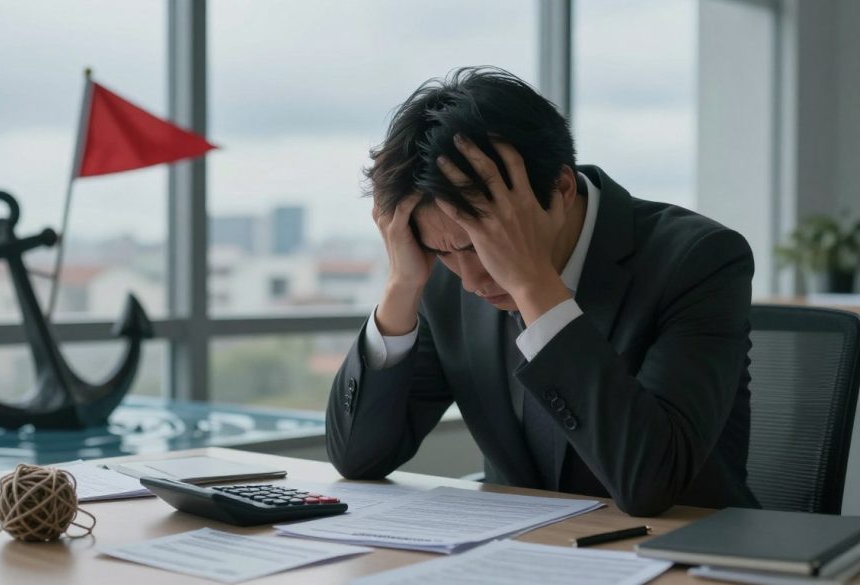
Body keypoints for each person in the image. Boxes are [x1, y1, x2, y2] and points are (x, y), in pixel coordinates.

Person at [325, 66, 758, 517]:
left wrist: (533, 285)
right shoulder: (441, 276)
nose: (471, 281)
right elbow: (359, 459)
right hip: (519, 551)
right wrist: (402, 286)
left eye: (481, 244)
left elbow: (650, 483)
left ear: (562, 188)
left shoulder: (698, 259)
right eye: (445, 251)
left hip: (683, 554)